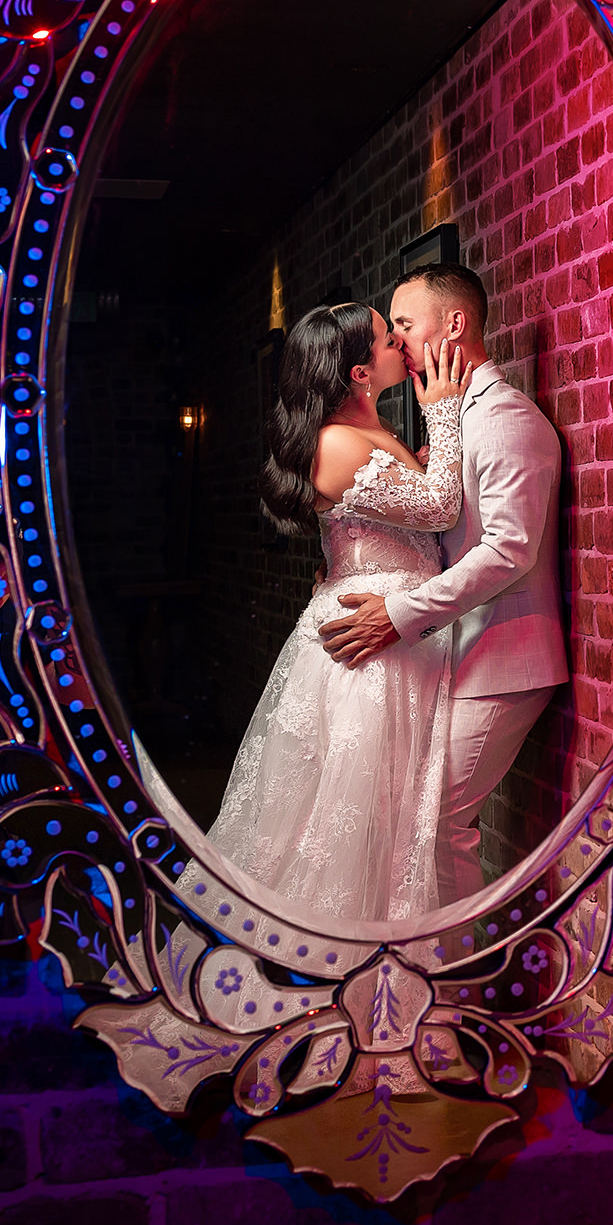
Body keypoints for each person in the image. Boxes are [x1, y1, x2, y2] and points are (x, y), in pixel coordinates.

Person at [202, 303, 470, 921]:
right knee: (348, 816)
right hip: (370, 649)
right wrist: (444, 411)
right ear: (359, 372)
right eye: (386, 337)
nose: (398, 340)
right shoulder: (336, 442)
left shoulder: (373, 432)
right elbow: (439, 508)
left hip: (401, 629)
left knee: (394, 812)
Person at [318, 262, 568, 899]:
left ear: (454, 324)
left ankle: (460, 963)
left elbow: (508, 550)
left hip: (506, 656)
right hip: (462, 651)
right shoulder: (455, 417)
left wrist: (398, 612)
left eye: (404, 323)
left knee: (437, 825)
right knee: (416, 822)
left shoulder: (503, 416)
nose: (396, 339)